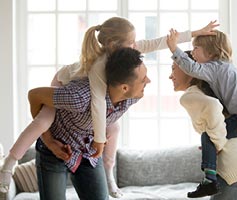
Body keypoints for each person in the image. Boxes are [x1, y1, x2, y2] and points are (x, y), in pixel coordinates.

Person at [0, 17, 218, 198]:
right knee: (44, 121)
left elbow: (156, 43)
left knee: (113, 128)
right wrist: (98, 140)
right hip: (61, 101)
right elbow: (96, 103)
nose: (148, 83)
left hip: (84, 150)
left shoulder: (130, 85)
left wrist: (195, 32)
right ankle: (9, 164)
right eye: (143, 79)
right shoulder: (93, 74)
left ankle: (108, 173)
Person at [29, 47, 149, 200]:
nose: (148, 81)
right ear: (124, 88)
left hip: (88, 151)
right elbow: (34, 96)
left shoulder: (134, 96)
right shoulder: (78, 98)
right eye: (143, 79)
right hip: (54, 149)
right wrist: (50, 141)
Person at [167, 29, 237, 197]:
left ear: (210, 52)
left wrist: (217, 142)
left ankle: (209, 180)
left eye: (196, 49)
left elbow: (193, 70)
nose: (170, 76)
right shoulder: (228, 68)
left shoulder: (207, 75)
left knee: (208, 136)